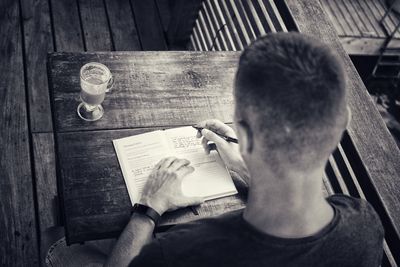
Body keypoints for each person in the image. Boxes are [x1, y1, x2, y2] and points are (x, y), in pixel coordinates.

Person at [104, 32, 384, 267]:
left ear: (244, 132)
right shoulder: (364, 226)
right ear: (342, 122)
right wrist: (244, 165)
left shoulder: (181, 252)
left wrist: (147, 209)